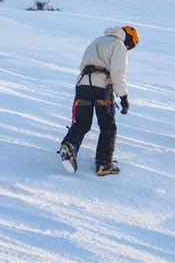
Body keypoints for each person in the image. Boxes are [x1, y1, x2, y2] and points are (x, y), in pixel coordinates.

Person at [59, 26, 139, 176]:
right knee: (107, 126)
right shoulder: (118, 46)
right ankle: (103, 164)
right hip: (101, 88)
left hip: (83, 84)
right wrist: (124, 96)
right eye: (130, 46)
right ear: (127, 39)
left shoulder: (97, 41)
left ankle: (69, 145)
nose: (127, 49)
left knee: (82, 122)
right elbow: (117, 73)